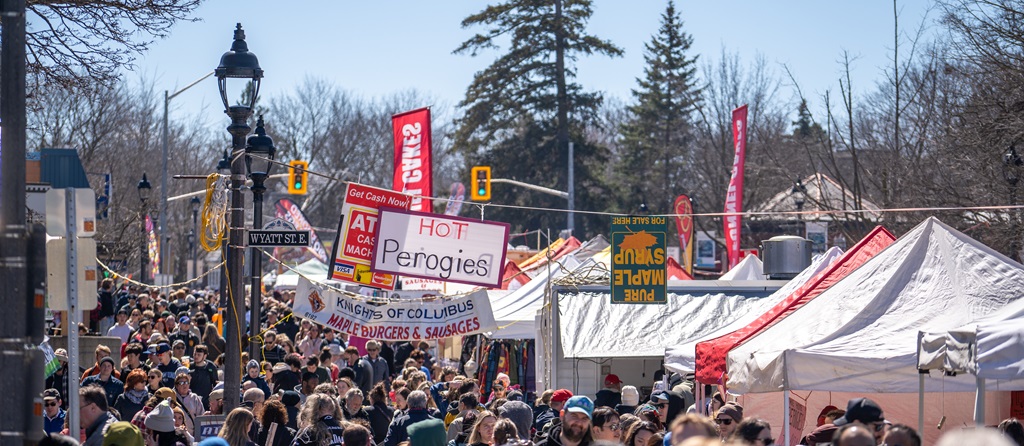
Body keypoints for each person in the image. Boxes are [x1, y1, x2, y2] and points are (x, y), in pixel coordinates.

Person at [172, 371, 204, 435]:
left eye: (187, 382)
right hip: (174, 434)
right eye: (181, 383)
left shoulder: (195, 398)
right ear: (176, 385)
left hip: (191, 435)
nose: (185, 385)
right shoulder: (172, 397)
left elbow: (201, 417)